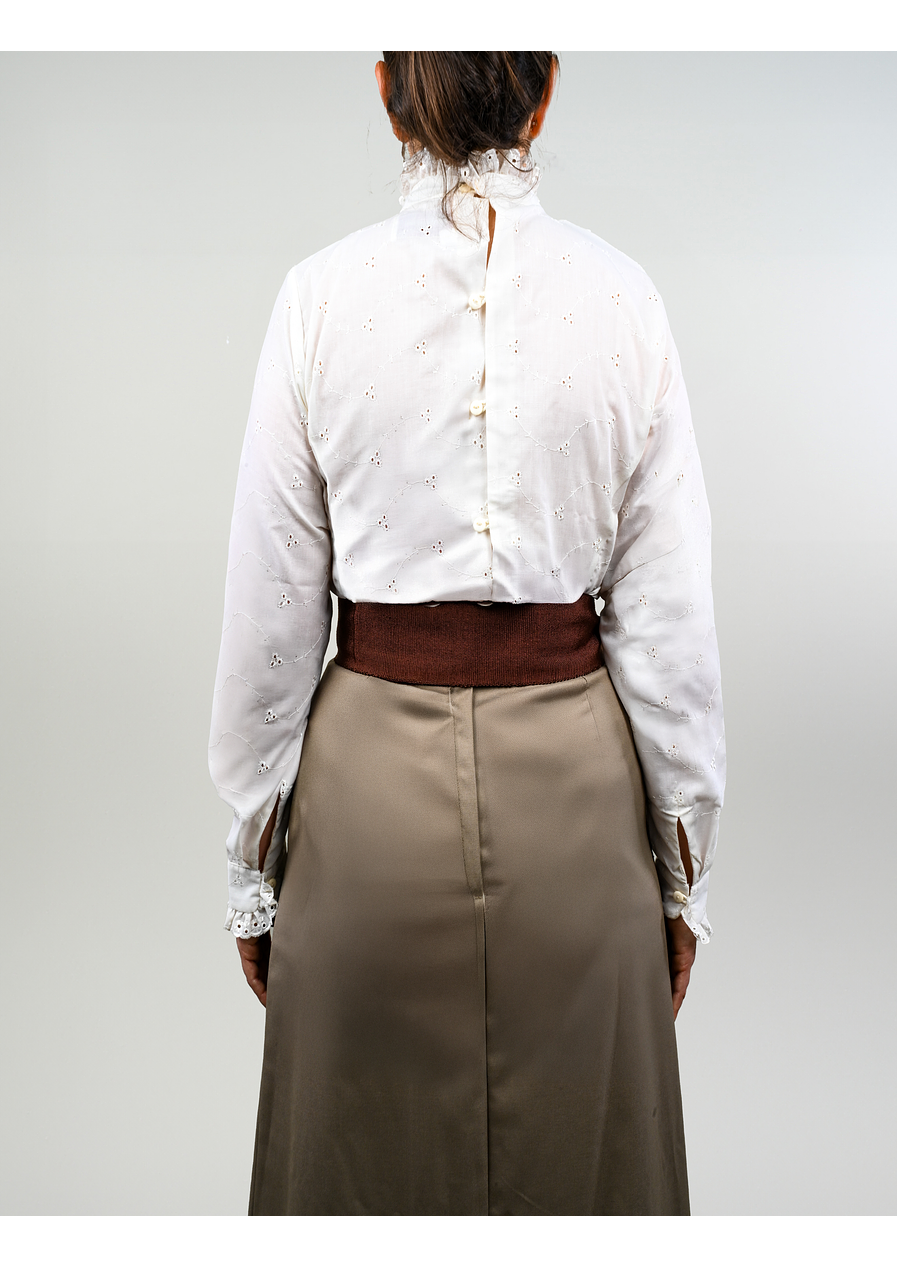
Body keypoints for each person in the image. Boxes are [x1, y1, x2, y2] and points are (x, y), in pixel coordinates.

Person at [209, 50, 725, 1217]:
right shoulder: (625, 300)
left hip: (364, 822)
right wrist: (683, 865)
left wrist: (253, 860)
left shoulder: (317, 301)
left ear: (386, 89)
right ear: (545, 94)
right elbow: (669, 626)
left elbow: (270, 620)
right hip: (578, 822)